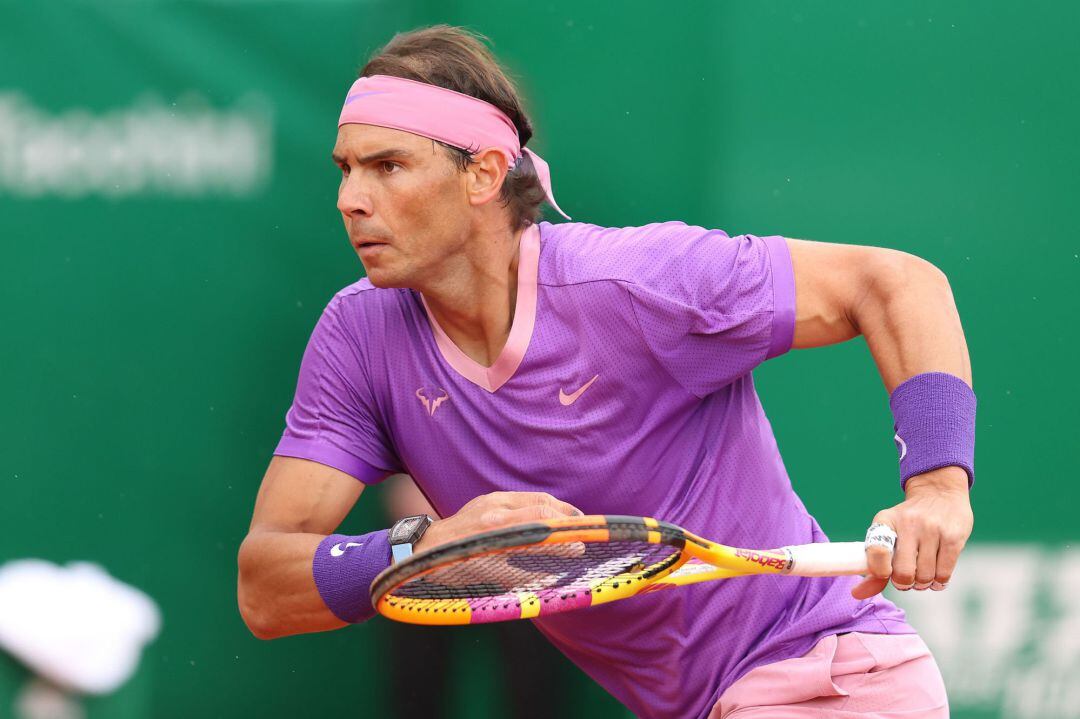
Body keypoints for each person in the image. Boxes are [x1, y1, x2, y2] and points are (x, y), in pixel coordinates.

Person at [237, 25, 975, 719]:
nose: (350, 200)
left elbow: (896, 283)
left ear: (483, 174)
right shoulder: (358, 334)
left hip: (827, 678)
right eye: (346, 169)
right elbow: (265, 587)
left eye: (388, 166)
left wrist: (939, 487)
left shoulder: (636, 283)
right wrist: (422, 547)